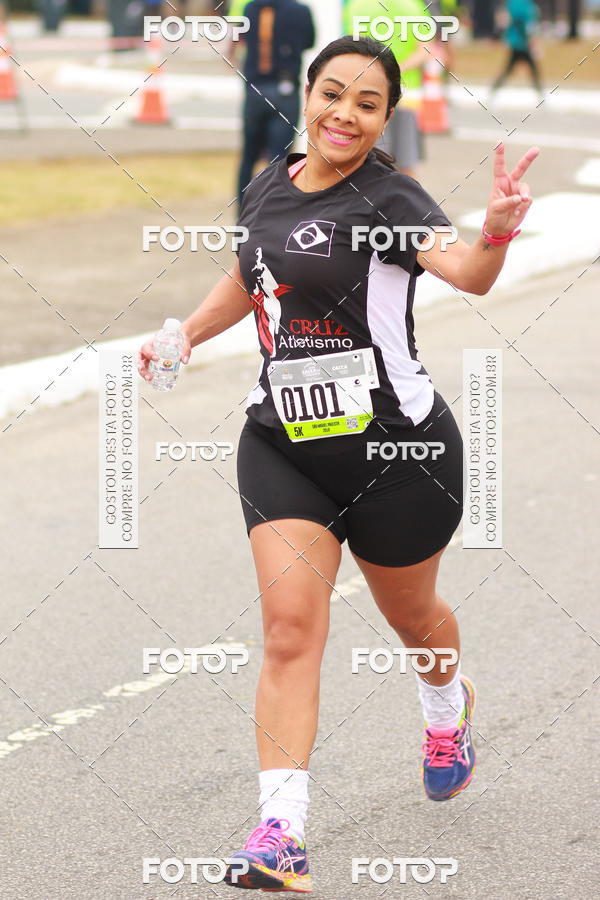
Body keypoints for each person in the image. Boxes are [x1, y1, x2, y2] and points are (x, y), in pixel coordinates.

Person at [137, 34, 538, 894]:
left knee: (415, 618)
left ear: (386, 117)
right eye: (332, 94)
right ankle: (281, 834)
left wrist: (496, 236)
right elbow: (252, 280)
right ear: (308, 96)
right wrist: (183, 333)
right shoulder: (268, 185)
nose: (343, 114)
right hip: (284, 445)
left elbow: (466, 274)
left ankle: (445, 706)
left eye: (366, 103)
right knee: (289, 630)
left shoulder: (393, 197)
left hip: (400, 454)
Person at [229, 0, 315, 211]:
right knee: (280, 158)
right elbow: (308, 42)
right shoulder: (301, 11)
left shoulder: (250, 8)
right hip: (285, 89)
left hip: (255, 88)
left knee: (249, 154)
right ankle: (274, 210)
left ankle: (243, 213)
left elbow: (238, 41)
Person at [343, 0, 431, 177]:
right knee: (405, 161)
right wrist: (396, 71)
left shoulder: (355, 5)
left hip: (367, 93)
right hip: (407, 94)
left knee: (368, 157)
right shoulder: (413, 6)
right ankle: (406, 202)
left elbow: (351, 50)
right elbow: (425, 51)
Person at [490, 0, 543, 102]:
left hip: (515, 43)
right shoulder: (526, 6)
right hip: (522, 44)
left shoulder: (512, 3)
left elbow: (504, 21)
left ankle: (493, 91)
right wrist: (533, 42)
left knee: (509, 70)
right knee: (533, 70)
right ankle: (541, 95)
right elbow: (528, 25)